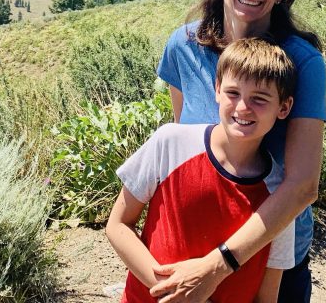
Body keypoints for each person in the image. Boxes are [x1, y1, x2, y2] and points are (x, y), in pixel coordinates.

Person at [153, 0, 326, 303]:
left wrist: (217, 266)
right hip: (192, 250)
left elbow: (302, 186)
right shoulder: (183, 46)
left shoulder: (302, 62)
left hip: (271, 262)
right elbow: (186, 147)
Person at [106, 38, 299, 303]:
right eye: (233, 93)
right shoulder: (171, 143)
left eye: (260, 98)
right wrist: (175, 292)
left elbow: (266, 295)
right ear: (217, 89)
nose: (243, 107)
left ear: (284, 107)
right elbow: (117, 225)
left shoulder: (280, 196)